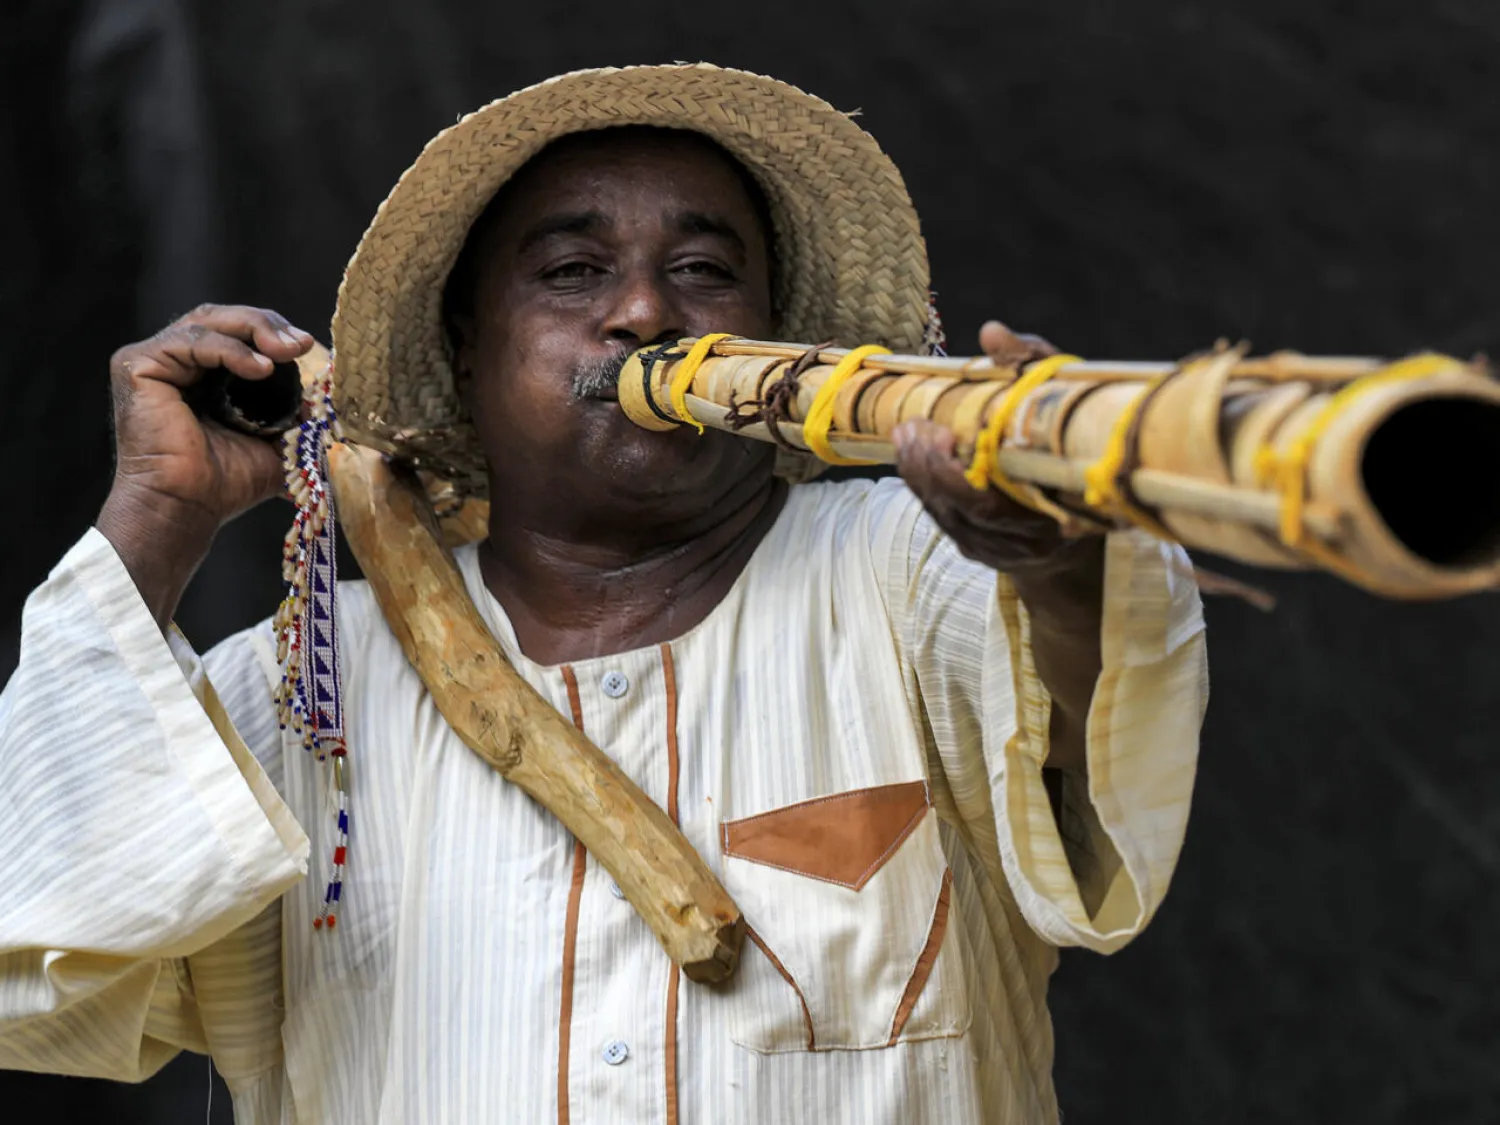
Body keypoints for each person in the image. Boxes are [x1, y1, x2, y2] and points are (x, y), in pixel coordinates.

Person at [0, 65, 1207, 1124]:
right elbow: (43, 979)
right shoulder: (297, 688)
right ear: (466, 349)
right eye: (574, 272)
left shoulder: (911, 566)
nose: (643, 313)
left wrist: (1057, 561)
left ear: (774, 339)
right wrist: (157, 515)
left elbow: (1092, 731)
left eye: (702, 270)